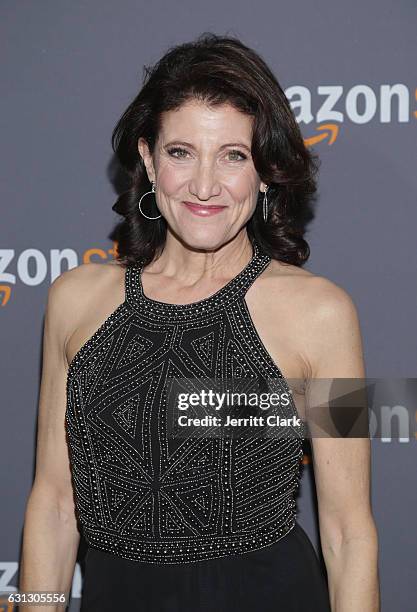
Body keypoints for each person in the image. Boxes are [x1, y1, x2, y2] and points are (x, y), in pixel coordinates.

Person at [20, 33, 380, 611]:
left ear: (264, 172)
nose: (205, 185)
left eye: (233, 155)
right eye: (181, 152)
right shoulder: (74, 300)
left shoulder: (323, 313)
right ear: (147, 158)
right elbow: (54, 505)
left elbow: (347, 532)